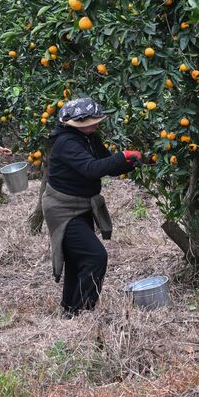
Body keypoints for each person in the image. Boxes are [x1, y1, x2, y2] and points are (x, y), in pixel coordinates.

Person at [40, 97, 141, 315]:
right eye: (92, 121)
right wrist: (121, 156)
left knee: (78, 261)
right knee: (95, 257)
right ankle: (82, 311)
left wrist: (133, 162)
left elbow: (108, 167)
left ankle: (69, 311)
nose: (96, 124)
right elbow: (91, 169)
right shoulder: (66, 142)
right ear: (77, 122)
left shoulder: (89, 138)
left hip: (82, 204)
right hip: (62, 209)